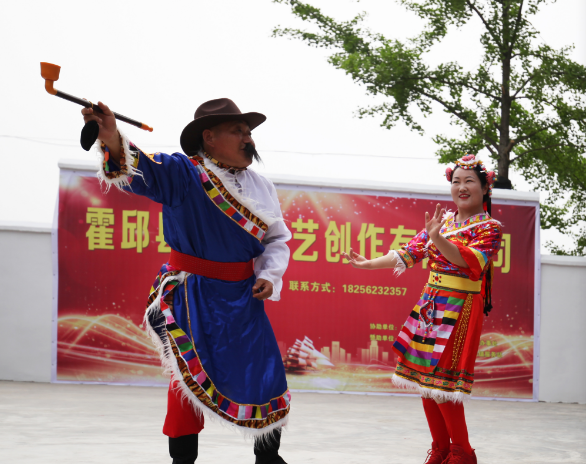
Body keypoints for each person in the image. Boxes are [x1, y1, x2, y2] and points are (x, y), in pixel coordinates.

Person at [82, 98, 292, 464]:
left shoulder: (262, 186)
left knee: (264, 370)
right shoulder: (183, 173)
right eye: (237, 131)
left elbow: (276, 240)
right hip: (192, 295)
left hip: (244, 297)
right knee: (187, 378)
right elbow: (141, 169)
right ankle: (182, 459)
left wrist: (270, 275)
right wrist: (112, 136)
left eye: (248, 131)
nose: (248, 139)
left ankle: (268, 457)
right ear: (209, 137)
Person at [342, 154, 501, 464]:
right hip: (431, 305)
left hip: (461, 306)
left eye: (469, 181)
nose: (461, 187)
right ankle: (441, 448)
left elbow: (467, 262)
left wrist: (437, 237)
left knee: (442, 381)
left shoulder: (490, 228)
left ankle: (463, 453)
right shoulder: (443, 224)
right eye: (456, 181)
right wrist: (367, 264)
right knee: (425, 383)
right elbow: (408, 253)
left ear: (485, 188)